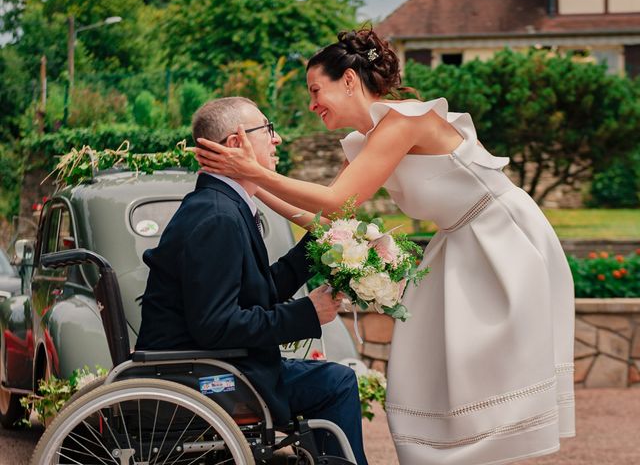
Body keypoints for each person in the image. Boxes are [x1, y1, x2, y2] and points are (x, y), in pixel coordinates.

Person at [192, 29, 576, 464]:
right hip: (457, 243)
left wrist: (257, 175)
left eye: (317, 90)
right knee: (420, 367)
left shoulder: (404, 121)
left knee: (481, 373)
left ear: (350, 81)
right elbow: (334, 219)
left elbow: (337, 202)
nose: (312, 103)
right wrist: (252, 187)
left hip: (501, 239)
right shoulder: (365, 142)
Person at [136, 97, 368, 465]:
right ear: (235, 144)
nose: (277, 140)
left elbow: (256, 294)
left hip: (216, 364)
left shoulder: (220, 205)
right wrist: (306, 312)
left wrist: (322, 243)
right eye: (268, 129)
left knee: (334, 379)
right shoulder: (217, 217)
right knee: (337, 383)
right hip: (207, 376)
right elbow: (216, 325)